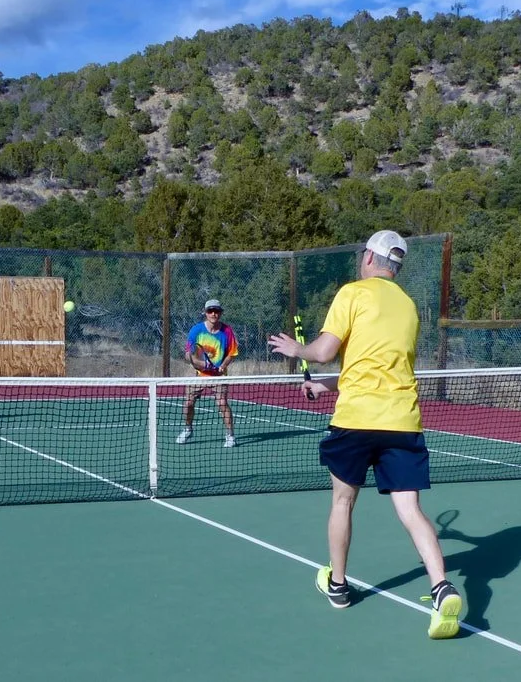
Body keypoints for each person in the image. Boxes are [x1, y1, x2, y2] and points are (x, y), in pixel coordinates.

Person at [267, 230, 462, 639]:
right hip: (402, 421)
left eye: (363, 254)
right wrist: (329, 385)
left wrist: (296, 350)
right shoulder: (409, 308)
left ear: (372, 258)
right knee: (411, 511)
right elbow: (376, 365)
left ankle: (338, 585)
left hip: (357, 420)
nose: (361, 260)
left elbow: (323, 351)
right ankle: (441, 588)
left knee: (343, 502)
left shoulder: (352, 293)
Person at [176, 299, 239, 448]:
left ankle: (230, 435)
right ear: (205, 312)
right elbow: (187, 355)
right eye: (210, 311)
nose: (213, 314)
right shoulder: (196, 330)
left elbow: (232, 353)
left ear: (221, 313)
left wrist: (223, 365)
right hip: (200, 375)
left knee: (222, 403)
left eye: (216, 311)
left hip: (219, 377)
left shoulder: (227, 331)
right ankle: (188, 429)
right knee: (188, 403)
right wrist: (201, 364)